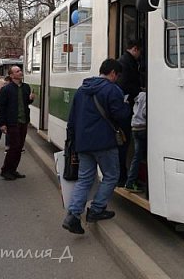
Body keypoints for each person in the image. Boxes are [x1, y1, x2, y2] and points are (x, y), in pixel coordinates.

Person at [62, 58, 131, 235]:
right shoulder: (112, 90)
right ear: (113, 73)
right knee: (111, 175)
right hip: (104, 142)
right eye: (117, 75)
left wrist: (73, 141)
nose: (117, 78)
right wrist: (127, 106)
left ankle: (73, 216)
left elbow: (72, 118)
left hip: (83, 143)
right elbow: (120, 115)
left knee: (84, 179)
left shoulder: (81, 90)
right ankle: (96, 209)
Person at [0, 66, 34, 180]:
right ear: (12, 75)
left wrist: (31, 99)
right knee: (14, 146)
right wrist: (2, 124)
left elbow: (27, 102)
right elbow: (2, 108)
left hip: (23, 121)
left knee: (19, 147)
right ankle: (5, 170)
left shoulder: (26, 87)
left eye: (20, 70)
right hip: (12, 122)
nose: (20, 72)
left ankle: (13, 170)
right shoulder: (6, 89)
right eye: (17, 71)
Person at [116, 40, 142, 186]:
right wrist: (140, 92)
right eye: (139, 52)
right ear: (135, 49)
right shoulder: (127, 63)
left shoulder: (125, 61)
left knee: (123, 144)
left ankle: (123, 176)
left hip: (126, 109)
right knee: (123, 143)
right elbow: (126, 85)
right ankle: (122, 177)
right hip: (126, 110)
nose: (140, 56)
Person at [125, 91, 147, 193]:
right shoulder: (147, 96)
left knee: (136, 156)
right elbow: (145, 113)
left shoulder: (138, 96)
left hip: (134, 128)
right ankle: (131, 182)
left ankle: (131, 181)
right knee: (142, 156)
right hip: (143, 128)